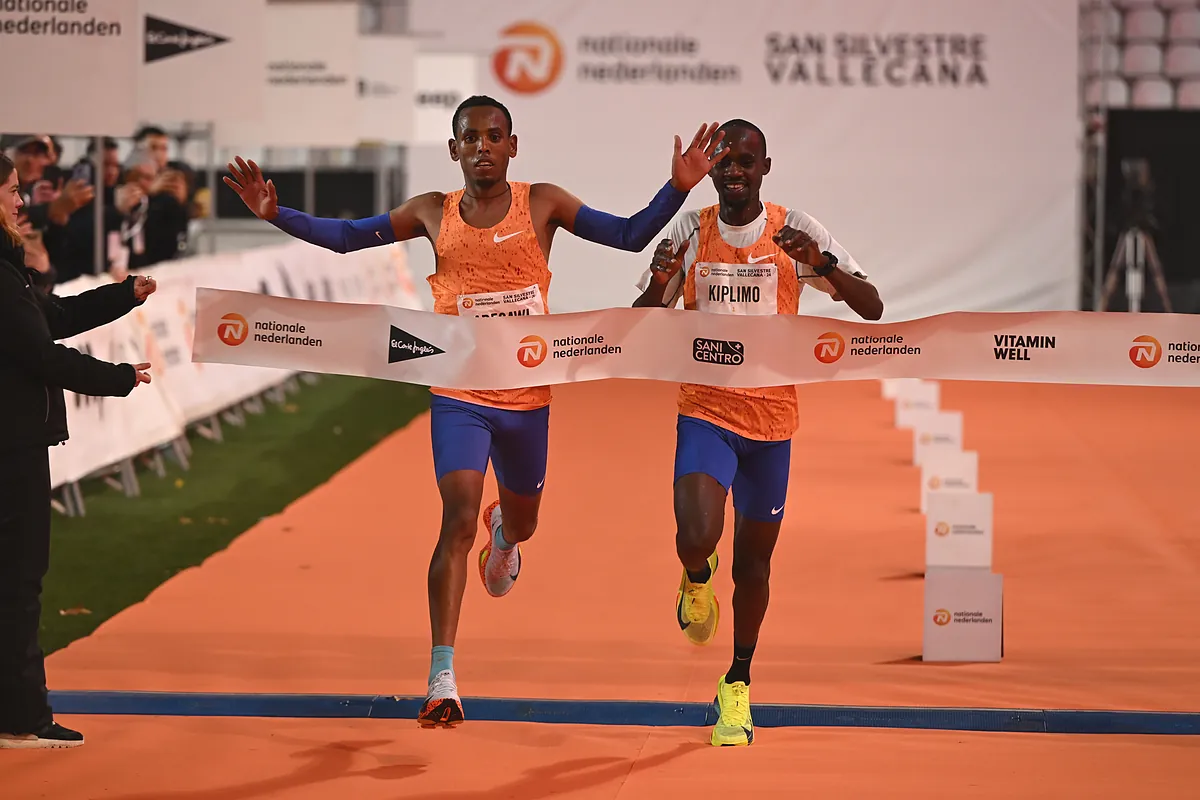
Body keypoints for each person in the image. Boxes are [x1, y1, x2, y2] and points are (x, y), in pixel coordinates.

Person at [223, 95, 728, 728]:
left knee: (520, 521)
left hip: (527, 399)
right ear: (454, 149)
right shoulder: (432, 213)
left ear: (512, 146)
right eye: (471, 137)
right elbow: (350, 239)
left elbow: (627, 237)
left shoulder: (541, 203)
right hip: (458, 393)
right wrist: (278, 215)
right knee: (456, 519)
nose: (483, 145)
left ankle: (507, 537)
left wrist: (676, 188)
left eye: (495, 136)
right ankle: (442, 677)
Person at [632, 119, 883, 747]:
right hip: (706, 408)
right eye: (724, 160)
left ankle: (737, 682)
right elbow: (637, 324)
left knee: (753, 565)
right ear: (713, 170)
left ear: (765, 167)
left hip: (771, 424)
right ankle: (695, 577)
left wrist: (819, 263)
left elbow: (872, 306)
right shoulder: (690, 230)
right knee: (697, 536)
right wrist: (662, 282)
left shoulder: (795, 230)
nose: (733, 170)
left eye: (745, 160)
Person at [0, 153, 156, 749]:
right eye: (13, 192)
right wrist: (119, 377)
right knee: (19, 582)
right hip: (11, 448)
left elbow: (53, 318)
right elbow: (42, 354)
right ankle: (22, 717)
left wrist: (123, 296)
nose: (23, 203)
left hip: (16, 441)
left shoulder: (9, 271)